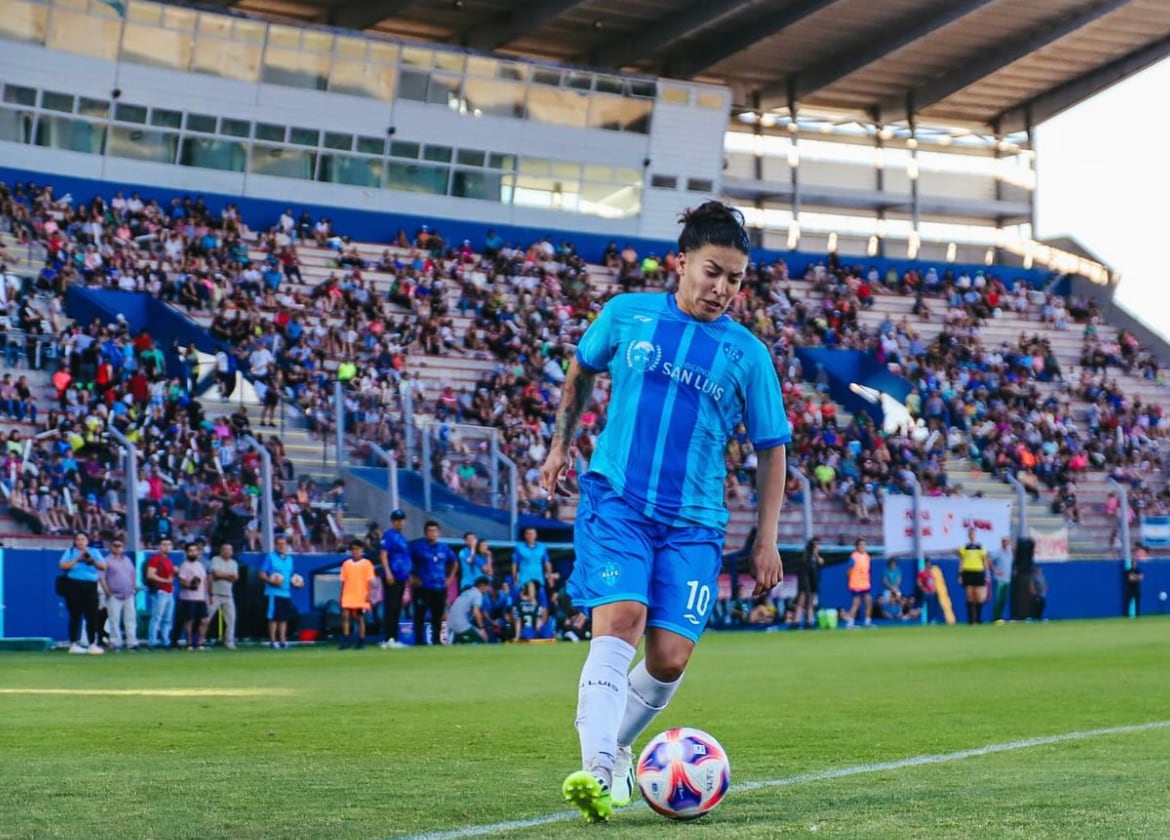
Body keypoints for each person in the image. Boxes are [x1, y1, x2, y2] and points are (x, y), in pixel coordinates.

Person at [540, 202, 789, 822]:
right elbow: (582, 367)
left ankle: (619, 750)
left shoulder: (747, 355)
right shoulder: (628, 315)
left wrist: (767, 539)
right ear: (681, 263)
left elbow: (772, 448)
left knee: (669, 657)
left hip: (695, 521)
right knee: (621, 618)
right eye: (713, 272)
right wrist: (560, 445)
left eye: (734, 279)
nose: (723, 289)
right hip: (617, 499)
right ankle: (598, 768)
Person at [409, 520, 457, 647]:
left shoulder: (444, 548)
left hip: (440, 587)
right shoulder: (418, 547)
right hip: (422, 587)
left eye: (434, 531)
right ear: (425, 533)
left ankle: (437, 641)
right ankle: (419, 642)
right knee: (419, 615)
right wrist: (412, 577)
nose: (432, 533)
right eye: (430, 531)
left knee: (438, 616)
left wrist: (450, 578)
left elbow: (454, 562)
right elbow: (408, 562)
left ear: (439, 533)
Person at [59, 531, 108, 654]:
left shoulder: (94, 552)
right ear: (75, 541)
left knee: (92, 615)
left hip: (90, 585)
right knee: (75, 614)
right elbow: (63, 566)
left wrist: (92, 561)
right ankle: (74, 643)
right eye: (78, 539)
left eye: (83, 539)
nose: (80, 542)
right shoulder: (70, 552)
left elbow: (103, 566)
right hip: (74, 585)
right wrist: (77, 559)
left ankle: (92, 643)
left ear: (87, 541)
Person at [259, 535, 303, 649]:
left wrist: (297, 583)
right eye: (279, 544)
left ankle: (283, 641)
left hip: (286, 593)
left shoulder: (289, 559)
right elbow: (262, 573)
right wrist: (270, 581)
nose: (281, 546)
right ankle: (273, 641)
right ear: (275, 545)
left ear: (287, 545)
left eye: (283, 544)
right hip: (273, 593)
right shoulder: (270, 557)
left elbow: (290, 576)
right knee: (273, 617)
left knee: (284, 618)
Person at [378, 509, 410, 649]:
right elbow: (383, 555)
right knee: (391, 607)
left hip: (401, 577)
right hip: (393, 576)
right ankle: (389, 638)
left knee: (396, 607)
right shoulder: (389, 535)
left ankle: (393, 638)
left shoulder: (401, 537)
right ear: (393, 522)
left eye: (402, 520)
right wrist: (388, 572)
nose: (400, 522)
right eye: (397, 520)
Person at [99, 537, 138, 651]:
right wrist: (107, 592)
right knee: (114, 620)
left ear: (123, 547)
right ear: (111, 547)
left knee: (130, 619)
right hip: (114, 595)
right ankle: (116, 643)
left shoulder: (127, 560)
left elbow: (133, 574)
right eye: (115, 545)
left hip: (128, 594)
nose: (117, 548)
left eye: (119, 546)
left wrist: (133, 587)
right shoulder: (106, 560)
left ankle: (132, 642)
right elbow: (102, 578)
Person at [339, 538, 376, 649]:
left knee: (360, 618)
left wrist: (369, 594)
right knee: (345, 616)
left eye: (357, 549)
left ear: (362, 550)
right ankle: (346, 640)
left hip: (360, 595)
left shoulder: (367, 564)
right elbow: (343, 581)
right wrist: (341, 595)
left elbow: (370, 581)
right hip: (348, 594)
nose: (355, 551)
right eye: (353, 549)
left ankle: (361, 640)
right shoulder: (346, 564)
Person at [204, 543, 239, 649]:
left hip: (228, 595)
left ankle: (229, 642)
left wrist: (224, 575)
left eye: (229, 550)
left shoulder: (234, 563)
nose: (227, 551)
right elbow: (216, 574)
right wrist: (229, 575)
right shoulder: (215, 559)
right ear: (221, 551)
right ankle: (200, 640)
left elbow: (236, 577)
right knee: (206, 618)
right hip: (215, 594)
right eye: (225, 549)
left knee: (231, 619)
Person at [176, 541, 209, 650]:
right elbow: (181, 581)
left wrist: (207, 595)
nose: (193, 553)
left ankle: (199, 643)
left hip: (201, 598)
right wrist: (190, 586)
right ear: (187, 552)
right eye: (190, 551)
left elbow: (204, 581)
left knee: (204, 620)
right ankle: (189, 643)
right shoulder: (185, 565)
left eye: (195, 551)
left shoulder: (200, 565)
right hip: (188, 598)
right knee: (189, 620)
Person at [145, 538, 175, 649]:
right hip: (161, 591)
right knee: (157, 617)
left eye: (168, 544)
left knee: (167, 618)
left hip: (169, 591)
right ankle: (152, 641)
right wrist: (165, 581)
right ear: (159, 546)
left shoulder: (168, 560)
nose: (166, 547)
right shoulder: (156, 559)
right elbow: (150, 574)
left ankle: (165, 640)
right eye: (164, 544)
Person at [958, 528, 990, 625]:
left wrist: (987, 573)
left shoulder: (980, 547)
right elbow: (961, 561)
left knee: (979, 596)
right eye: (970, 534)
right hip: (968, 571)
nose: (972, 536)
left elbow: (985, 560)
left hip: (978, 572)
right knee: (970, 595)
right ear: (968, 536)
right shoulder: (964, 547)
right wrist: (960, 574)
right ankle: (971, 620)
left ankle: (979, 618)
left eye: (973, 534)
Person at [448, 576, 490, 644]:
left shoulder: (467, 592)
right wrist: (482, 628)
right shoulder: (477, 594)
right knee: (483, 638)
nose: (488, 589)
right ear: (482, 586)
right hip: (461, 624)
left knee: (464, 640)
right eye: (487, 586)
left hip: (450, 623)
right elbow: (476, 612)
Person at [512, 526, 551, 600]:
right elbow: (514, 564)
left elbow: (547, 562)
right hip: (523, 580)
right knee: (516, 597)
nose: (530, 536)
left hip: (538, 579)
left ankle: (544, 611)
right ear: (525, 535)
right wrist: (514, 578)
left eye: (532, 533)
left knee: (543, 600)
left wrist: (550, 577)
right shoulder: (519, 547)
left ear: (536, 535)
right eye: (528, 534)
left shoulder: (542, 547)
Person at [793, 537, 823, 630]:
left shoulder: (816, 558)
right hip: (805, 581)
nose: (817, 547)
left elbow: (821, 562)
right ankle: (796, 622)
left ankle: (809, 621)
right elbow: (803, 566)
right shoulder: (806, 556)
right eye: (815, 545)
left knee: (810, 602)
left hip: (813, 580)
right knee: (802, 601)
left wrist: (816, 555)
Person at [843, 538, 873, 629]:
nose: (862, 547)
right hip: (856, 583)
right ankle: (850, 623)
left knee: (868, 601)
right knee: (856, 603)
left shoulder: (867, 556)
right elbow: (848, 571)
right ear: (857, 546)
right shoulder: (854, 557)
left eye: (864, 545)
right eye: (860, 545)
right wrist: (850, 581)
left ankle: (867, 622)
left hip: (865, 583)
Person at [989, 536, 1014, 623]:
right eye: (1004, 541)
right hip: (999, 579)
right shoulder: (998, 552)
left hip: (1007, 579)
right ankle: (995, 618)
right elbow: (989, 560)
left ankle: (1000, 617)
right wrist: (995, 570)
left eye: (1007, 541)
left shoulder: (1009, 553)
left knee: (1004, 600)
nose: (1006, 543)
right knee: (998, 599)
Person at [1123, 545, 1146, 617]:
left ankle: (1137, 615)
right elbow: (1130, 579)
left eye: (1135, 563)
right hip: (1130, 589)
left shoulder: (1138, 570)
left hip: (1136, 589)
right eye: (1134, 563)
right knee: (1128, 602)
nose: (1135, 564)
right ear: (1132, 564)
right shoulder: (1128, 571)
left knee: (1137, 602)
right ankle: (1126, 615)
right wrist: (1136, 577)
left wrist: (1135, 577)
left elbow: (1142, 577)